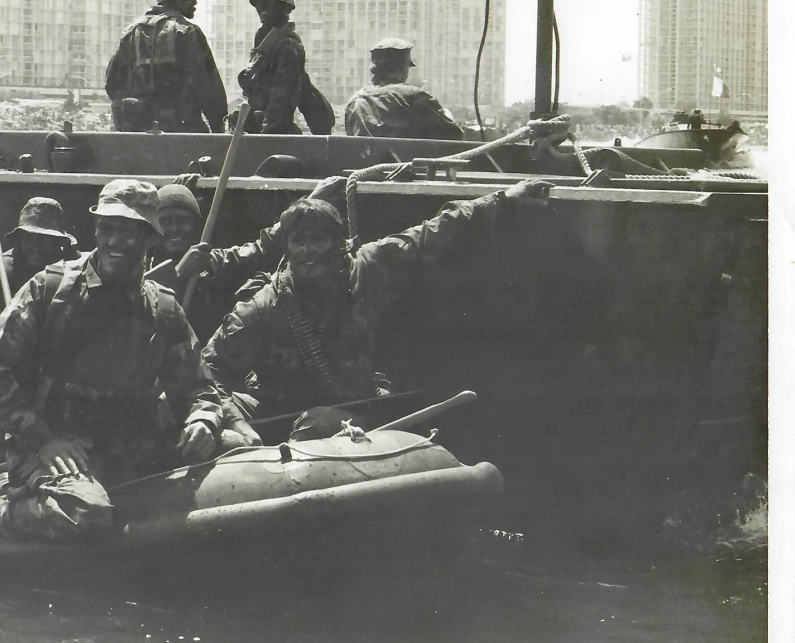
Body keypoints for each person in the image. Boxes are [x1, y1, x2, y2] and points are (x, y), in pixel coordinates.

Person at [184, 177, 555, 457]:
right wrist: (231, 421)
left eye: (318, 240)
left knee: (320, 422)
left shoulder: (368, 267)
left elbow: (434, 232)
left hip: (352, 406)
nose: (308, 252)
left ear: (339, 246)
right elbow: (209, 369)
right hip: (275, 406)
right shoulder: (265, 304)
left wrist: (503, 200)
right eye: (299, 242)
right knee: (203, 417)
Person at [0, 180, 215, 542]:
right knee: (87, 513)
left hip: (128, 445)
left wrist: (202, 419)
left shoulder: (161, 307)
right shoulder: (50, 290)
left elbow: (199, 385)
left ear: (149, 238)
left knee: (239, 442)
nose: (114, 241)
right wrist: (43, 439)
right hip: (55, 449)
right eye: (106, 229)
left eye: (128, 231)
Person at [149, 175, 351, 340]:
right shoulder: (141, 263)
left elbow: (262, 247)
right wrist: (179, 273)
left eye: (182, 221)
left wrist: (308, 203)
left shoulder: (212, 263)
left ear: (195, 225)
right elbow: (136, 305)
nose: (174, 228)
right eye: (166, 221)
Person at [104, 0, 227, 133]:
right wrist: (218, 130)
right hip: (182, 134)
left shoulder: (131, 32)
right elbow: (208, 90)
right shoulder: (187, 31)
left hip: (139, 134)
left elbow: (112, 84)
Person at [237, 0, 334, 136]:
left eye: (269, 4)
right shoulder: (264, 38)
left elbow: (281, 99)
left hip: (274, 131)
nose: (262, 9)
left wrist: (266, 135)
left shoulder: (288, 45)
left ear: (284, 8)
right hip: (258, 123)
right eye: (259, 4)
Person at [0, 197, 79, 333]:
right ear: (19, 238)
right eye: (29, 238)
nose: (35, 247)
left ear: (58, 242)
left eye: (44, 239)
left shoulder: (75, 270)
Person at [341, 38, 465, 140]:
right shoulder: (414, 97)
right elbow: (453, 136)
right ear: (404, 67)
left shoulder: (354, 100)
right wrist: (448, 116)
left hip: (363, 169)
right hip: (406, 168)